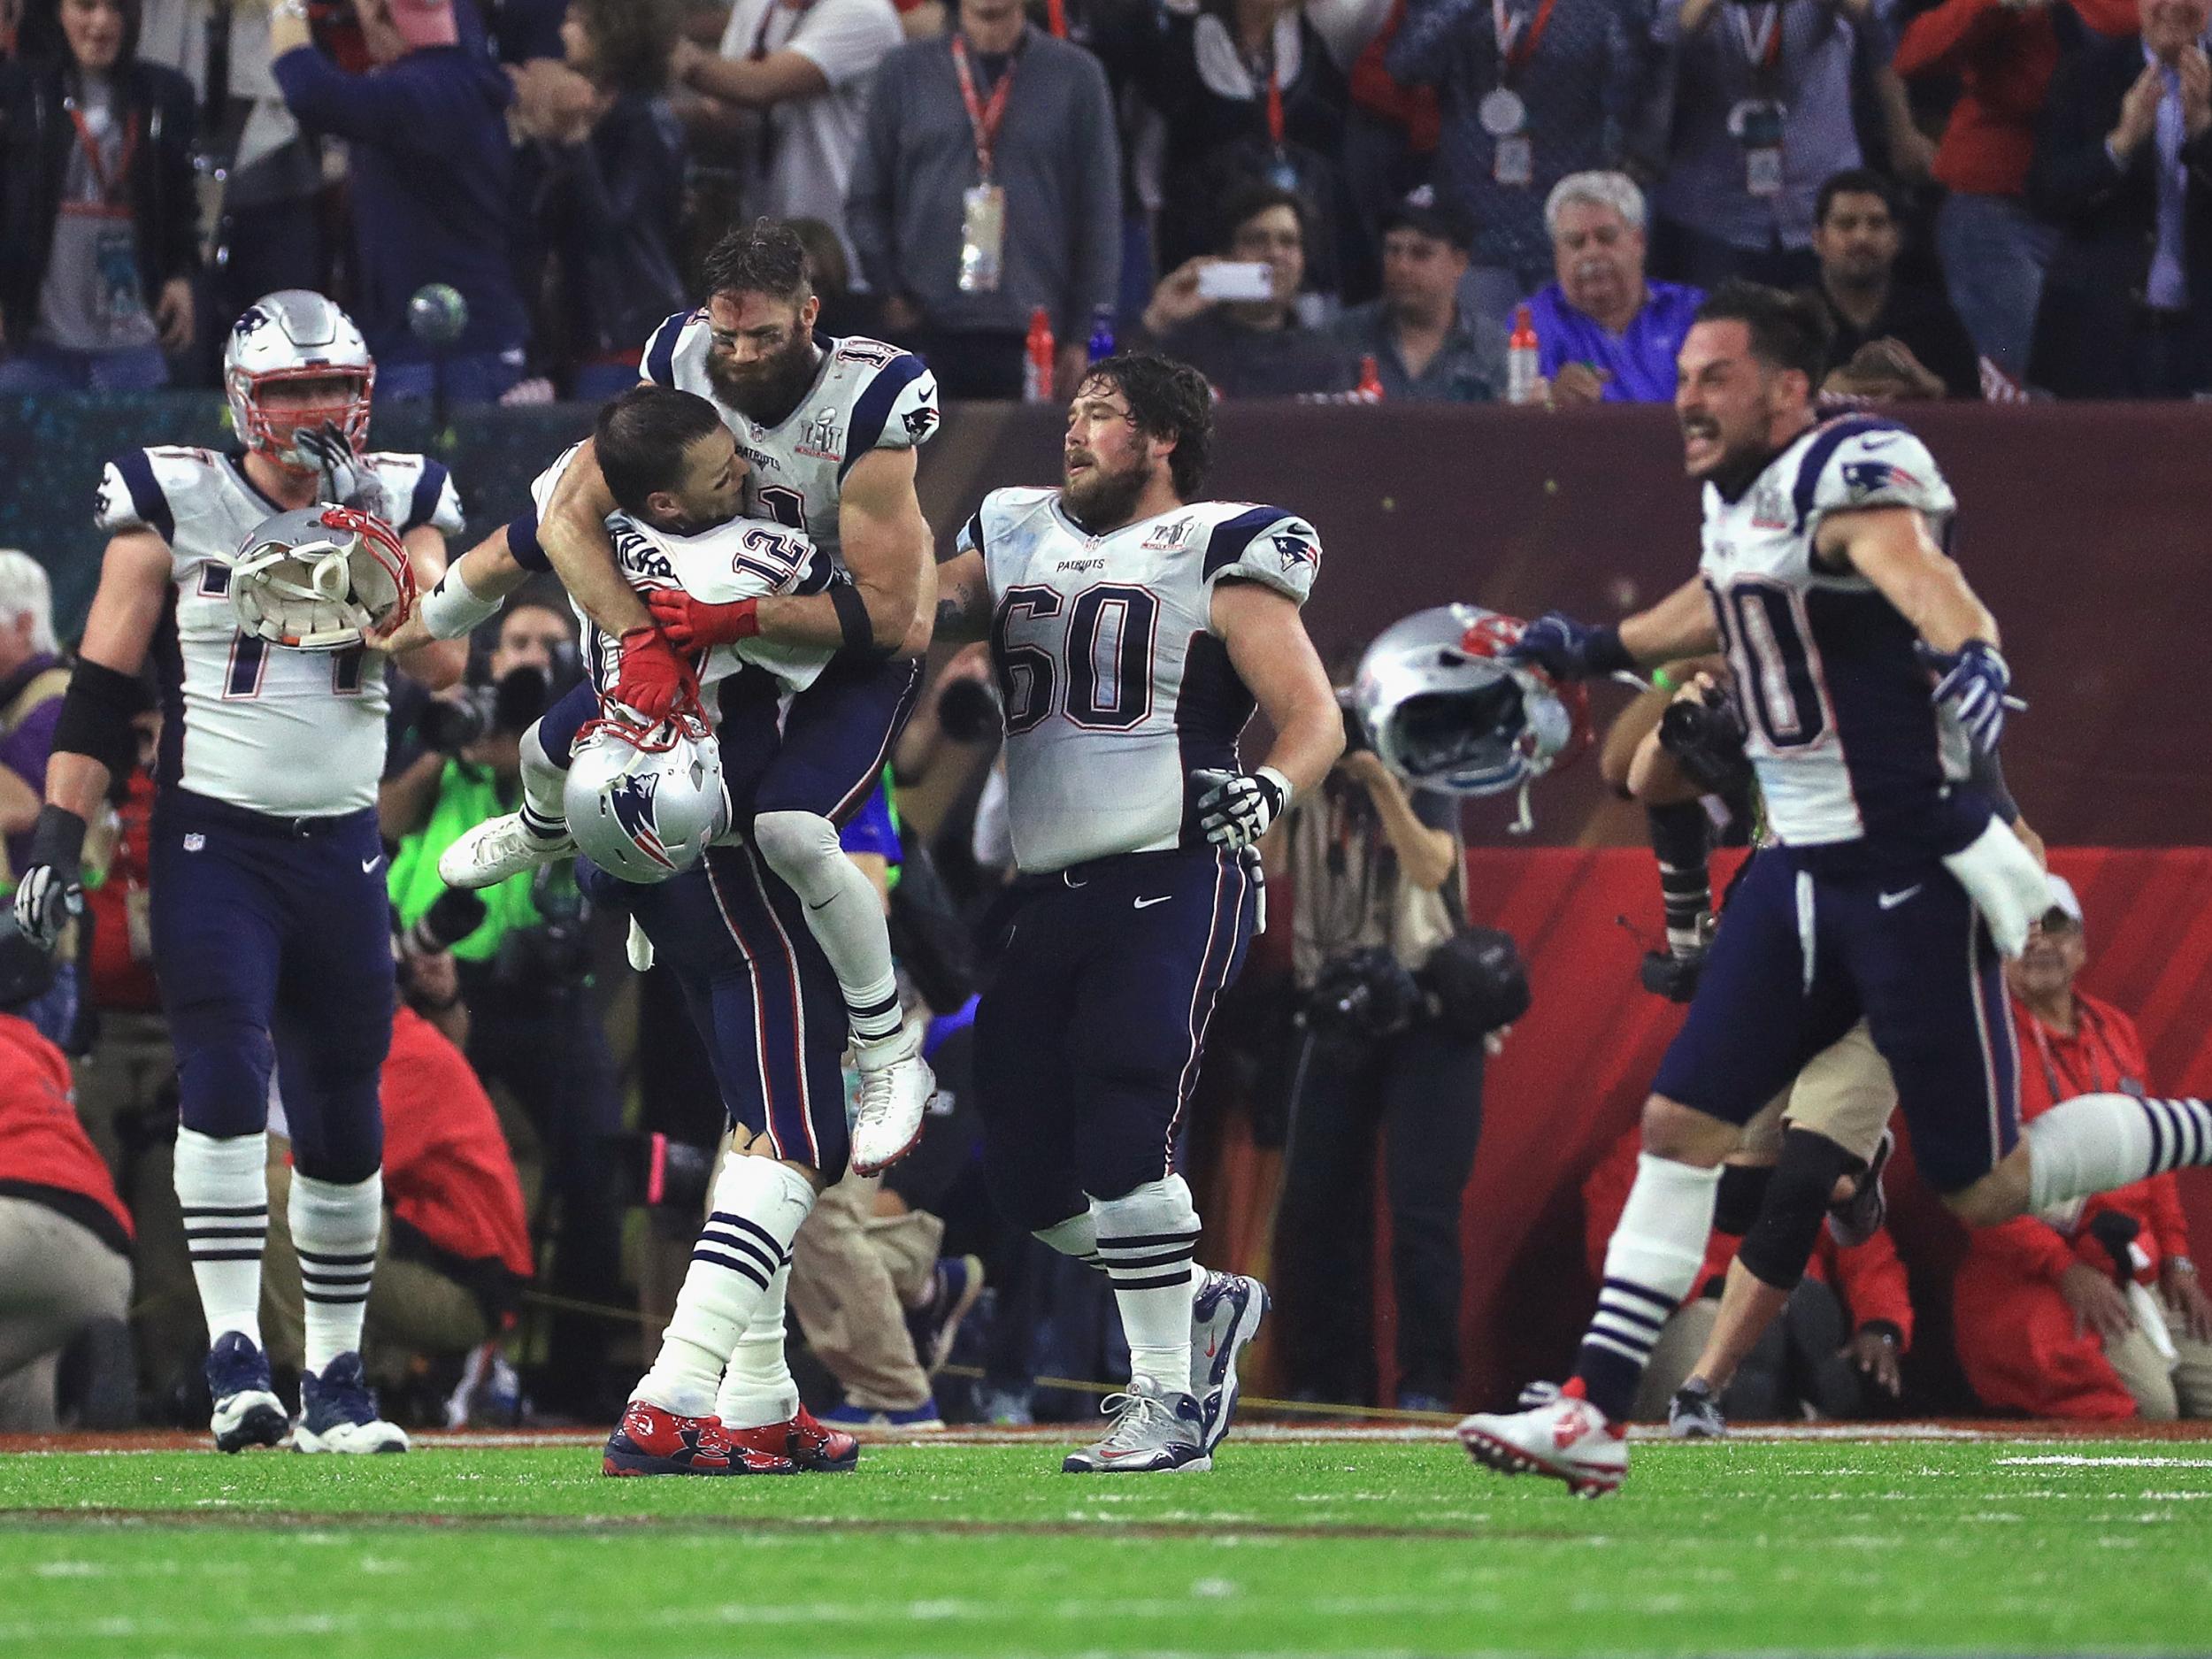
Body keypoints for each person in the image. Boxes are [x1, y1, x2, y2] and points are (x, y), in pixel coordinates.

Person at [1448, 280, 2212, 1494]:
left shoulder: (1849, 474)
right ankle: (1594, 1403)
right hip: (1799, 868)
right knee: (1678, 1125)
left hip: (1910, 875)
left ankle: (2198, 1125)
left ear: (1792, 390)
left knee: (1986, 1177)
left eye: (1716, 375)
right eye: (1684, 373)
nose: (1687, 396)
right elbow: (1712, 600)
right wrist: (1585, 644)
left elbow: (1923, 576)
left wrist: (1973, 654)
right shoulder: (1744, 507)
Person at [380, 385, 891, 1474]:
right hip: (727, 860)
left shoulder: (592, 522)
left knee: (749, 1131)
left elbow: (496, 561)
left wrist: (414, 624)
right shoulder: (749, 554)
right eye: (718, 474)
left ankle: (759, 1399)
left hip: (643, 853)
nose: (745, 478)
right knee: (797, 1142)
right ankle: (669, 1396)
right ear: (662, 491)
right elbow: (876, 634)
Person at [12, 288, 467, 1456]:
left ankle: (339, 1371)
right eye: (291, 391)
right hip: (217, 837)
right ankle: (232, 1360)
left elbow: (447, 656)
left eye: (332, 389)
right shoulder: (174, 499)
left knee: (342, 1106)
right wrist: (62, 842)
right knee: (220, 1076)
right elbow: (104, 688)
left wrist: (363, 525)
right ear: (241, 402)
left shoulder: (404, 491)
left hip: (342, 843)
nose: (315, 411)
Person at [447, 220, 941, 1164]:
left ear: (810, 315)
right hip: (703, 624)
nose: (744, 359)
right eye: (730, 338)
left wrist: (739, 622)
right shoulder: (678, 359)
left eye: (766, 337)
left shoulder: (873, 400)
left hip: (830, 634)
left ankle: (888, 1047)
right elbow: (563, 518)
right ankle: (550, 830)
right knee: (560, 750)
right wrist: (638, 640)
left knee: (787, 832)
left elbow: (895, 620)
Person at [931, 351, 1343, 1472]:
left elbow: (1312, 716)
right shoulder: (1015, 528)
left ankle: (1163, 1400)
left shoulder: (1219, 543)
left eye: (1104, 416)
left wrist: (1271, 788)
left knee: (1124, 1109)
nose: (1075, 432)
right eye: (1072, 413)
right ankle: (1198, 1301)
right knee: (1025, 1174)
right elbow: (910, 611)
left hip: (1174, 868)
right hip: (1047, 883)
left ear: (1163, 439)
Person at [1268, 689, 1486, 1411]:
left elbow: (1431, 867)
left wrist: (1380, 778)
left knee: (1423, 1210)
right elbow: (1263, 863)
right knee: (1313, 1209)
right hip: (1337, 1007)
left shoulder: (1427, 770)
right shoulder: (1304, 781)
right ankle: (1323, 1383)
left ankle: (1426, 1383)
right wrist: (1291, 767)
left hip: (1428, 1014)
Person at [1953, 875, 2212, 1420]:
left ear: (2082, 945)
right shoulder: (1982, 1042)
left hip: (2136, 1266)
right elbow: (1973, 1186)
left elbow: (2157, 1157)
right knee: (2151, 1411)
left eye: (2055, 925)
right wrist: (2065, 1270)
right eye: (2020, 929)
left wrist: (2180, 1258)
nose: (2039, 941)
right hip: (2034, 1275)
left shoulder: (2116, 1030)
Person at [845, 0, 1119, 400]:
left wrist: (1081, 336)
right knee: (927, 463)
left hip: (1039, 332)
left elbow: (1099, 216)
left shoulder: (1077, 76)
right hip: (924, 326)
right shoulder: (903, 72)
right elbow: (865, 200)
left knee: (1027, 461)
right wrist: (891, 295)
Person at [266, 0, 528, 403]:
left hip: (455, 351)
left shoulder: (436, 87)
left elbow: (312, 91)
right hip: (434, 342)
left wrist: (284, 6)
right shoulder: (452, 79)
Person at [1892, 0, 2138, 386]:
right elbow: (1912, 57)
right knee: (2016, 382)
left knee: (2095, 382)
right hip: (2000, 202)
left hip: (2104, 207)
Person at [1385, 0, 1647, 333]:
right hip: (1475, 228)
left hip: (1565, 231)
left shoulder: (1598, 8)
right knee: (1484, 369)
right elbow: (1405, 65)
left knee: (1574, 371)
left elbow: (1630, 94)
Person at [0, 0, 198, 392]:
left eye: (116, 8)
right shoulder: (20, 92)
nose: (101, 22)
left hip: (133, 337)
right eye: (86, 6)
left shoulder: (165, 96)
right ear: (59, 12)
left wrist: (180, 275)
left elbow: (181, 196)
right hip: (36, 342)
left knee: (137, 451)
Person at [2028, 0, 2212, 397]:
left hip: (2201, 339)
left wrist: (2204, 138)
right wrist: (2119, 146)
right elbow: (2046, 194)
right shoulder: (2086, 75)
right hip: (2101, 333)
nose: (2176, 4)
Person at [0, 919, 134, 1432]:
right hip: (106, 1267)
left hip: (16, 1227)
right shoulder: (40, 1052)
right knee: (18, 1380)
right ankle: (61, 1394)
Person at [1646, 0, 1881, 292]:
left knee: (1821, 332)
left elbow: (1872, 14)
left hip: (1819, 203)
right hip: (1716, 212)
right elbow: (1667, 36)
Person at [518, 0, 687, 402]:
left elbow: (608, 225)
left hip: (627, 328)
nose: (563, 31)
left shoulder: (643, 120)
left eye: (576, 21)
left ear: (611, 29)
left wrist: (576, 140)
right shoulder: (597, 113)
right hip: (581, 329)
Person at [673, 0, 902, 271]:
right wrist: (641, 116)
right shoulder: (755, 5)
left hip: (842, 257)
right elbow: (728, 115)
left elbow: (761, 85)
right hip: (768, 246)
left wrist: (665, 50)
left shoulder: (863, 11)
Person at [1141, 181, 1356, 398]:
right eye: (1257, 241)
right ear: (1226, 256)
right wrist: (1157, 319)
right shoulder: (1182, 349)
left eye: (1288, 242)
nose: (1274, 254)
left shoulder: (1325, 359)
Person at [1525, 171, 1704, 406]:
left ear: (1638, 242)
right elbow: (1511, 424)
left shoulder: (1693, 313)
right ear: (1557, 254)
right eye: (1575, 243)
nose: (1591, 253)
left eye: (1606, 238)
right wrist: (1551, 403)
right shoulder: (1531, 321)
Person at [1807, 168, 1980, 401]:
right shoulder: (1792, 321)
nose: (1862, 237)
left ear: (1897, 238)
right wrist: (1823, 396)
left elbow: (1976, 414)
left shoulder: (1934, 320)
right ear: (1818, 240)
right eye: (1846, 224)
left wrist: (1932, 388)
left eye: (1876, 224)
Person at [1330, 185, 1506, 402]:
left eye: (1420, 254)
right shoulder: (1341, 340)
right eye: (1393, 251)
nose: (1402, 267)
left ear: (1459, 263)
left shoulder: (1494, 352)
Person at [0, 552, 67, 889]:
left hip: (34, 921)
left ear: (24, 624)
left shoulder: (54, 704)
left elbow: (19, 809)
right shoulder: (17, 700)